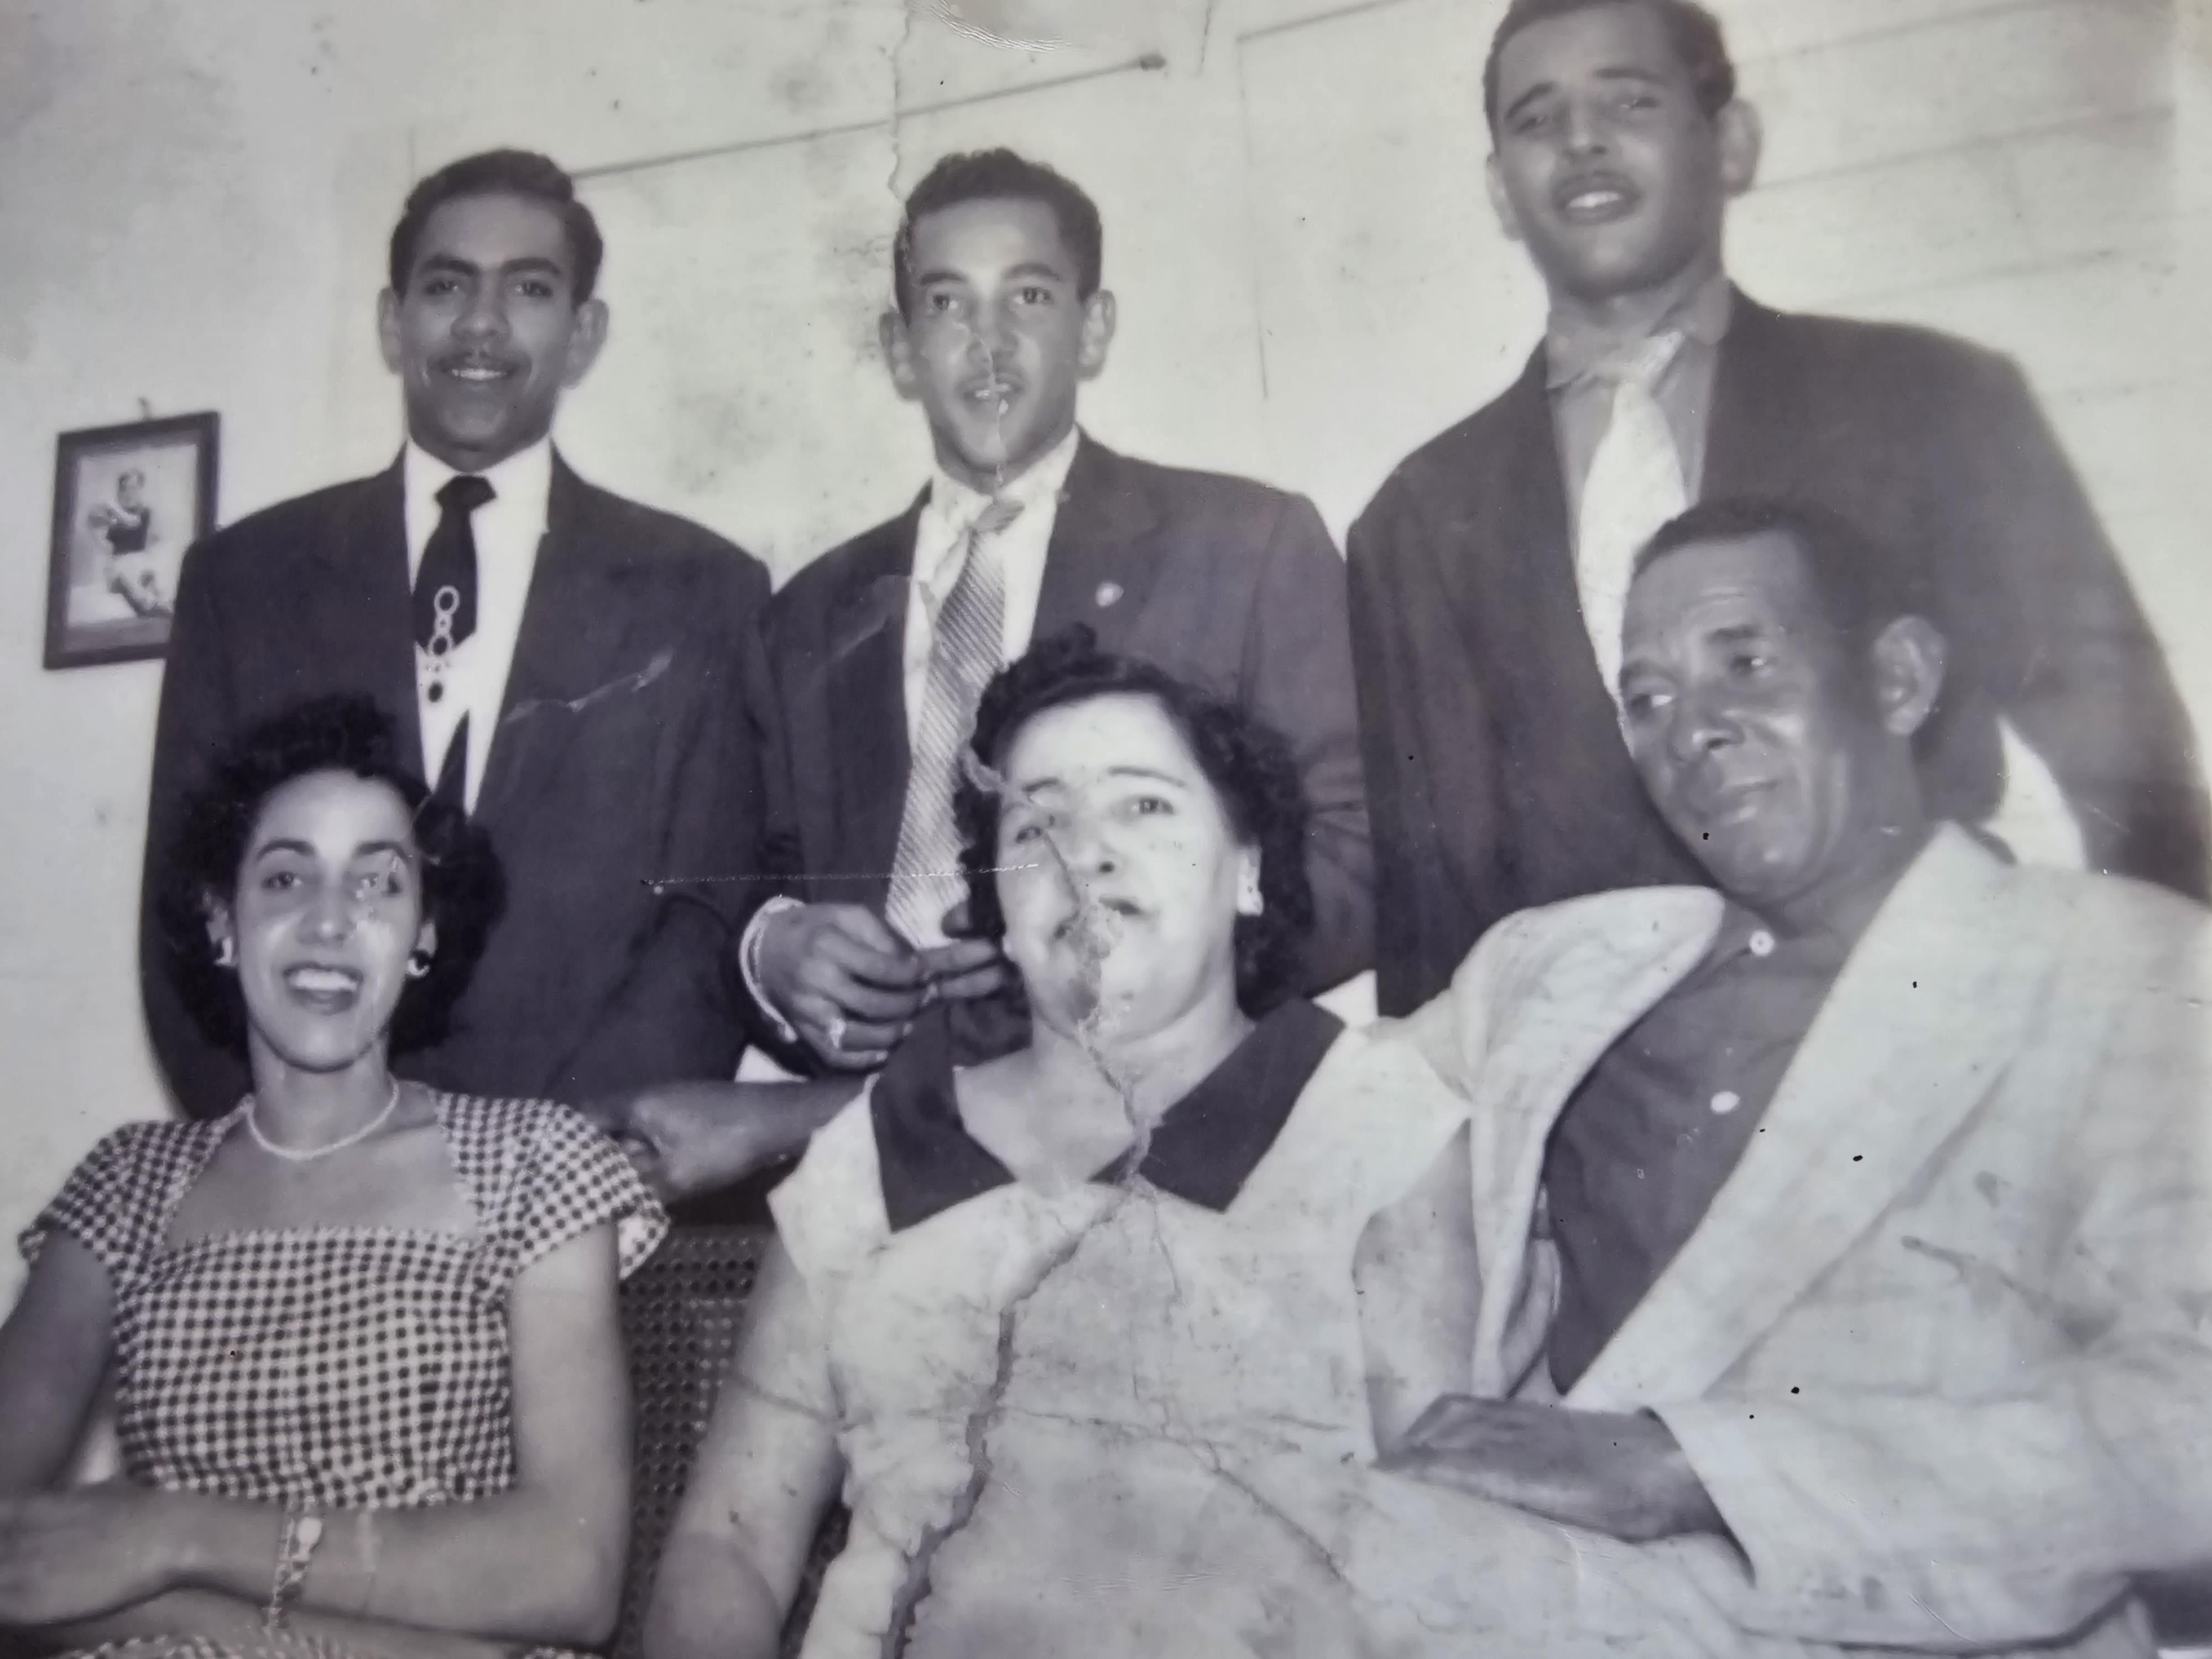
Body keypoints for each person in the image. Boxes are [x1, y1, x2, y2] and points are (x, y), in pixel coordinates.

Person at [1345, 496, 2212, 1656]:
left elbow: (2181, 1430)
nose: (1687, 731)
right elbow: (1305, 1131)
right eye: (1644, 701)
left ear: (1896, 680)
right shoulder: (1557, 964)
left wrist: (1696, 1468)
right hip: (1493, 1601)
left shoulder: (2122, 965)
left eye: (1741, 663)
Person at [1346, 0, 2209, 1015]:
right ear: (1501, 188)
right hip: (1612, 1105)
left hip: (1919, 1029)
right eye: (1537, 121)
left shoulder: (1933, 402)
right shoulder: (1417, 517)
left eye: (1629, 100)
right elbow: (1430, 913)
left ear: (1731, 142)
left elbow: (2129, 765)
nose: (1581, 141)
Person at [640, 632, 1460, 1659]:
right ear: (996, 896)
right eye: (1038, 824)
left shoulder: (1378, 1124)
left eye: (1145, 806)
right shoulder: (874, 1152)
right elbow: (733, 1541)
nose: (1086, 856)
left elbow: (1439, 1545)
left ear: (1247, 870)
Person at [0, 696, 665, 1659]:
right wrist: (222, 1625)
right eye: (284, 879)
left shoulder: (535, 1161)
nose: (328, 922)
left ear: (424, 934)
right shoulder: (127, 1185)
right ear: (221, 921)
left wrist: (175, 1535)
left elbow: (573, 1576)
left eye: (378, 886)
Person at [143, 148, 770, 1119]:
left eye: (529, 288)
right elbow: (185, 911)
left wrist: (560, 1170)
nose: (481, 325)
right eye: (446, 286)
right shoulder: (242, 580)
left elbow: (706, 922)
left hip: (583, 1178)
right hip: (300, 1196)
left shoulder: (705, 591)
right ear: (395, 323)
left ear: (583, 333)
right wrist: (290, 1165)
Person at [743, 145, 1371, 1074]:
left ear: (1092, 329)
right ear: (899, 348)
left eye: (1029, 297)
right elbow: (750, 880)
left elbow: (1357, 853)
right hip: (874, 1133)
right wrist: (773, 954)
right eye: (947, 304)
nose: (987, 343)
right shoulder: (810, 615)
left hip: (1157, 1123)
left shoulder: (1245, 545)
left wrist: (1098, 966)